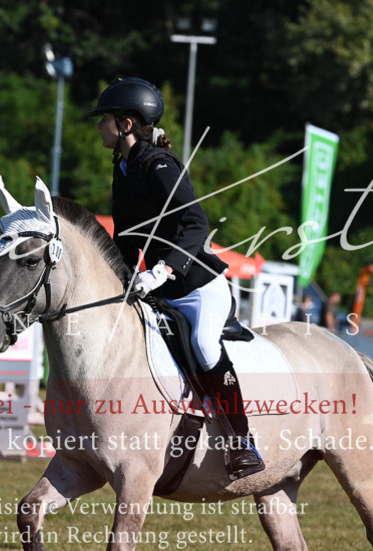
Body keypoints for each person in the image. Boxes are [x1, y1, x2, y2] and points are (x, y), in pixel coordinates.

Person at [90, 77, 264, 480]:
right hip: (159, 289)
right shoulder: (123, 167)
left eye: (106, 120)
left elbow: (194, 222)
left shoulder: (159, 165)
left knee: (204, 345)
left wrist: (163, 269)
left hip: (198, 286)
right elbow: (126, 238)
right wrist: (117, 281)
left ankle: (242, 442)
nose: (100, 127)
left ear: (128, 124)